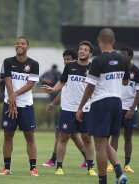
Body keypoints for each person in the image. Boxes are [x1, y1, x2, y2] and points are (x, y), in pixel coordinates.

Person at [76, 28, 129, 184]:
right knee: (105, 143)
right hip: (117, 102)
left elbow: (90, 87)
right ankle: (120, 174)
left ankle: (102, 181)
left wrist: (80, 107)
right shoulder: (122, 59)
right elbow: (125, 81)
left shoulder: (98, 61)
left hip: (101, 103)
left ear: (99, 40)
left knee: (99, 145)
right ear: (113, 41)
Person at [41, 41, 97, 176]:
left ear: (90, 54)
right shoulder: (70, 66)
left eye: (85, 50)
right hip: (68, 108)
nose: (82, 51)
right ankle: (59, 167)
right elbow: (62, 81)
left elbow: (95, 88)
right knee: (63, 137)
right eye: (81, 49)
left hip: (86, 109)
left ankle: (90, 168)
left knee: (87, 139)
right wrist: (53, 88)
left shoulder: (94, 68)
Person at [0, 36, 39, 176]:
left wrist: (14, 95)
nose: (19, 45)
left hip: (26, 105)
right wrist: (12, 100)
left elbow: (30, 84)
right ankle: (6, 168)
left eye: (22, 43)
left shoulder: (34, 64)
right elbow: (8, 81)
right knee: (8, 135)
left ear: (28, 46)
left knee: (30, 136)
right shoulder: (8, 61)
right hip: (9, 104)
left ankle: (33, 168)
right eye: (17, 43)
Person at [107, 46, 139, 174]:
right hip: (117, 107)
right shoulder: (116, 68)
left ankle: (127, 165)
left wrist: (132, 109)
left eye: (125, 55)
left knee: (128, 137)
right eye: (121, 54)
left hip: (130, 108)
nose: (123, 57)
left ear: (131, 56)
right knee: (114, 136)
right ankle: (113, 164)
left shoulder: (137, 71)